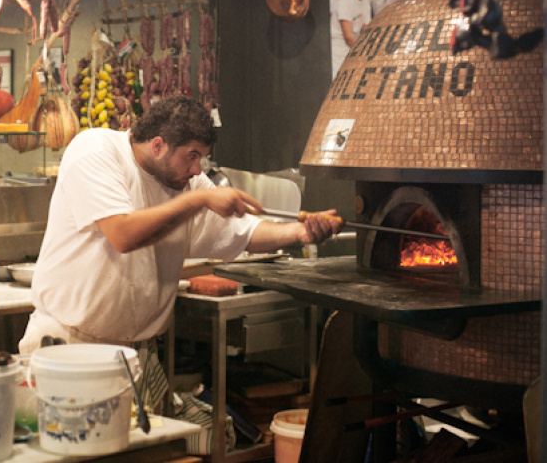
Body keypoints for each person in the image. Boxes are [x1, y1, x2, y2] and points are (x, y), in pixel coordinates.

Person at [18, 96, 342, 356]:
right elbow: (123, 234)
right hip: (68, 346)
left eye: (201, 158)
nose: (197, 168)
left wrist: (301, 233)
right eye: (192, 156)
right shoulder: (96, 150)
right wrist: (197, 202)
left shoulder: (189, 183)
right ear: (157, 145)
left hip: (136, 351)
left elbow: (242, 231)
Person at [330, 0, 372, 78]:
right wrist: (368, 53)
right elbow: (349, 37)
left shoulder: (365, 0)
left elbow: (366, 29)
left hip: (353, 51)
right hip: (338, 54)